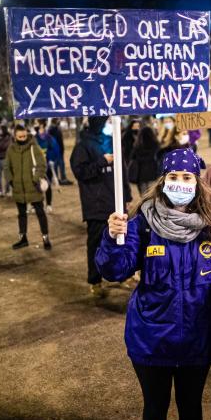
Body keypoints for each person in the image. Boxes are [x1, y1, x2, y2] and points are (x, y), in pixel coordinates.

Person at [96, 148, 211, 420]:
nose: (180, 184)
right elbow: (115, 270)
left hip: (195, 339)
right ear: (163, 181)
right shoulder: (141, 221)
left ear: (197, 182)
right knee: (155, 406)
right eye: (174, 178)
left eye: (187, 178)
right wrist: (113, 237)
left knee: (190, 406)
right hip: (151, 337)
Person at [70, 116, 131, 295]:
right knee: (96, 244)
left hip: (116, 203)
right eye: (108, 122)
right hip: (96, 205)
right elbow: (80, 172)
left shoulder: (113, 141)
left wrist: (126, 194)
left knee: (121, 242)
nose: (111, 125)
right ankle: (95, 280)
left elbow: (122, 170)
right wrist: (101, 162)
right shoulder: (83, 146)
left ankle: (123, 275)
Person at [6, 125, 51, 251]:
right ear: (15, 136)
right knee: (21, 214)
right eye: (19, 136)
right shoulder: (11, 149)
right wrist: (11, 181)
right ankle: (23, 238)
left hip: (33, 187)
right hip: (18, 188)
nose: (22, 138)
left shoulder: (34, 147)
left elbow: (42, 165)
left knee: (40, 213)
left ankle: (45, 238)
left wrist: (36, 179)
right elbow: (6, 166)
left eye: (24, 136)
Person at [35, 122, 60, 213]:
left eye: (36, 123)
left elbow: (55, 150)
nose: (35, 125)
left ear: (42, 125)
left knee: (47, 185)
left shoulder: (49, 138)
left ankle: (48, 204)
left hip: (47, 166)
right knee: (36, 185)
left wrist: (51, 159)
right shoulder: (34, 138)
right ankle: (37, 205)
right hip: (36, 166)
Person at [128, 126, 160, 196]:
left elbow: (132, 158)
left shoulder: (137, 146)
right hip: (153, 174)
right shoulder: (156, 145)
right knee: (153, 195)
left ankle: (145, 206)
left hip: (140, 175)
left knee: (144, 196)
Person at [48, 119, 72, 185]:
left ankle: (63, 179)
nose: (59, 121)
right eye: (58, 120)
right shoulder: (52, 129)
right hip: (55, 150)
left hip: (59, 150)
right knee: (56, 165)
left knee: (61, 165)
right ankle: (57, 179)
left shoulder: (56, 129)